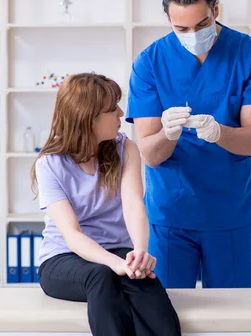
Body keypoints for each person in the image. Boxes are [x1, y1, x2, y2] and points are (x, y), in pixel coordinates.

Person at [126, 0, 251, 289]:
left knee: (232, 316)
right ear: (167, 19)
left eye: (202, 24)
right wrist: (167, 134)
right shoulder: (150, 63)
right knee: (168, 313)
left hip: (231, 211)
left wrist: (219, 132)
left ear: (216, 10)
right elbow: (150, 155)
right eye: (181, 28)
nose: (193, 35)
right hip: (172, 213)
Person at [31, 73, 181, 336]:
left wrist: (139, 252)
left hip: (117, 251)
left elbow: (133, 203)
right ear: (87, 118)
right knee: (101, 276)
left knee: (144, 284)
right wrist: (116, 263)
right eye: (112, 109)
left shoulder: (126, 148)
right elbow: (72, 235)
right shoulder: (49, 164)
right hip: (62, 259)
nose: (121, 113)